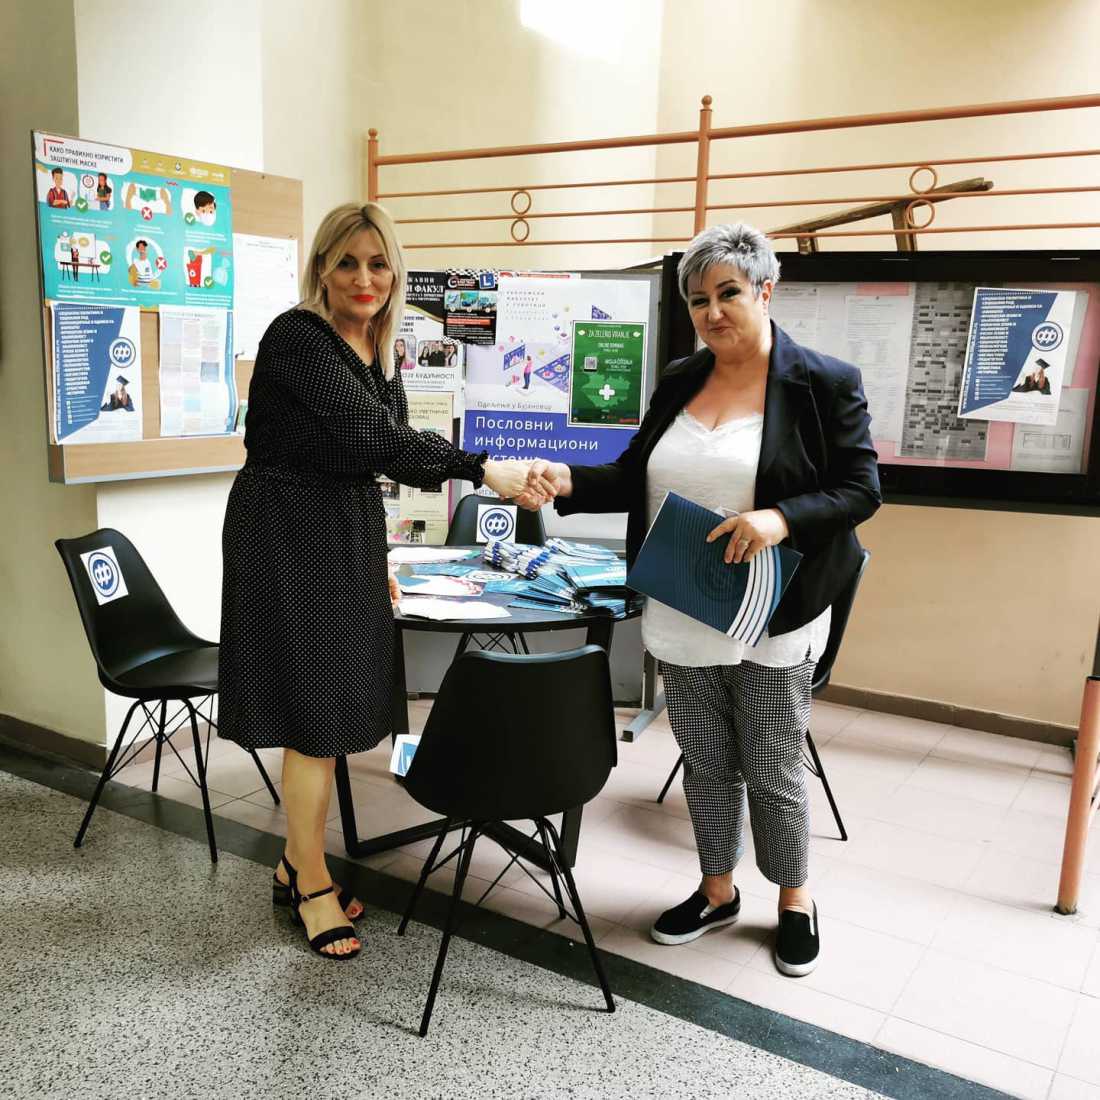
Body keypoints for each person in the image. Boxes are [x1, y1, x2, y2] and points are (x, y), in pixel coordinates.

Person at [518, 223, 880, 977]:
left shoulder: (823, 382)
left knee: (773, 763)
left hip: (772, 607)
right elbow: (634, 474)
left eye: (728, 294)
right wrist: (569, 479)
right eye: (697, 299)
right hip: (685, 602)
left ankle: (795, 899)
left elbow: (860, 489)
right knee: (707, 760)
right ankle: (717, 890)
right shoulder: (682, 378)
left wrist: (781, 518)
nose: (712, 312)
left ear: (765, 291)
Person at [218, 202, 547, 961]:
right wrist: (481, 468)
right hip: (285, 530)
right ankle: (311, 884)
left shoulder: (376, 345)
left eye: (377, 264)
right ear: (321, 269)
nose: (363, 278)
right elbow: (377, 441)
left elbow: (380, 457)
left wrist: (376, 564)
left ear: (394, 273)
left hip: (340, 529)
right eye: (346, 262)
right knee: (313, 716)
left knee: (330, 709)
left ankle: (293, 862)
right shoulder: (298, 337)